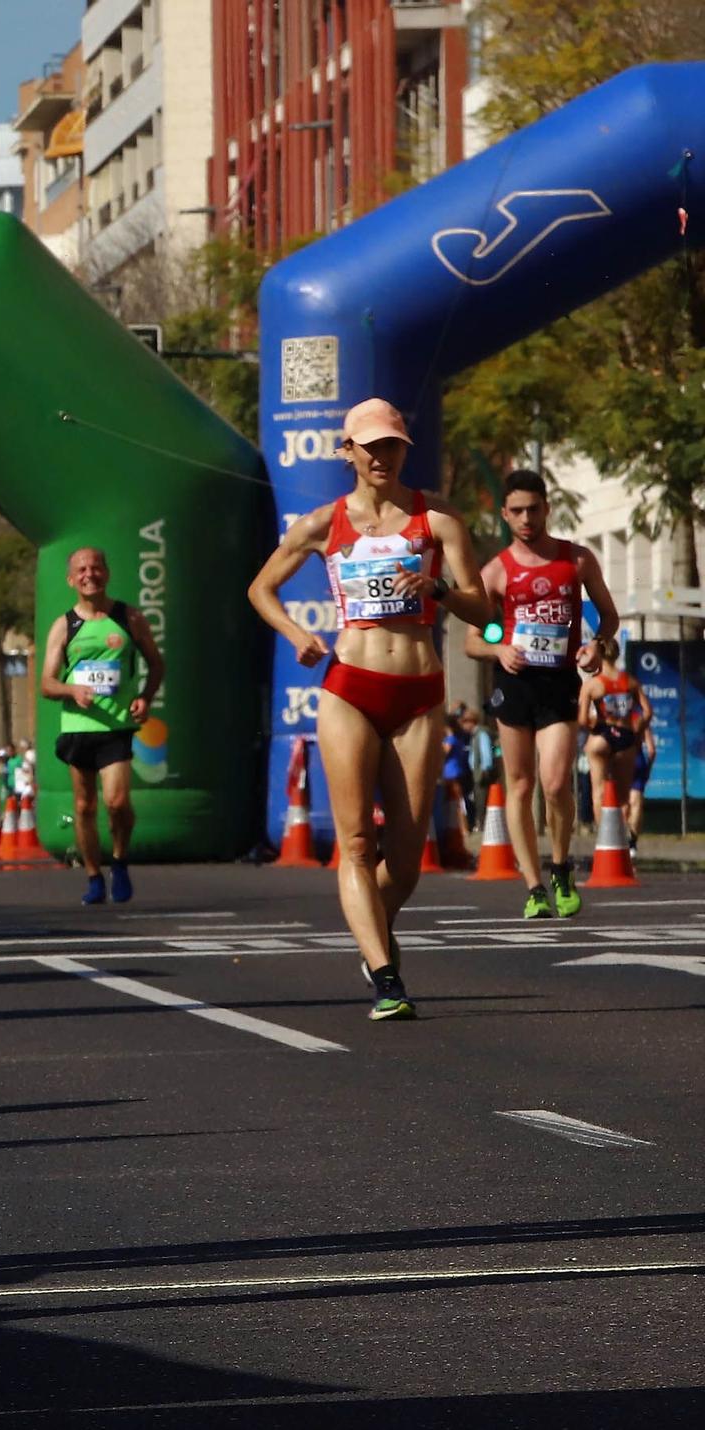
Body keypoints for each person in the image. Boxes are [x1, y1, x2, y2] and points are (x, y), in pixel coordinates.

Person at [248, 398, 490, 1020]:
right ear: (347, 453)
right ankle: (385, 974)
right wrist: (296, 635)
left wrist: (438, 589)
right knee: (356, 843)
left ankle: (371, 931)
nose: (383, 456)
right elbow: (261, 588)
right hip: (350, 687)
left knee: (406, 861)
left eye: (393, 446)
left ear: (405, 450)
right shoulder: (324, 523)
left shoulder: (437, 520)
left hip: (418, 694)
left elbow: (484, 610)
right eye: (371, 446)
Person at [465, 471, 618, 919]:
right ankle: (533, 886)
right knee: (520, 784)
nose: (526, 518)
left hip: (558, 683)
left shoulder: (578, 560)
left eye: (534, 509)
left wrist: (598, 645)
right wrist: (497, 647)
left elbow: (609, 617)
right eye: (517, 511)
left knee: (554, 783)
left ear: (547, 508)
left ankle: (561, 866)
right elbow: (471, 640)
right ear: (505, 514)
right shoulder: (495, 570)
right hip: (514, 685)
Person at [40, 546, 165, 905]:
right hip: (79, 726)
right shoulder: (65, 626)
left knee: (117, 800)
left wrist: (146, 696)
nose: (89, 574)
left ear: (107, 574)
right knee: (84, 807)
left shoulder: (129, 617)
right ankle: (94, 876)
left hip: (117, 726)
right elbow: (47, 684)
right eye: (81, 570)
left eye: (95, 568)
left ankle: (120, 861)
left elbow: (156, 664)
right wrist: (71, 689)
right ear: (70, 579)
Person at [581, 638, 650, 815]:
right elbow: (647, 712)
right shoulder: (631, 682)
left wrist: (594, 725)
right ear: (618, 654)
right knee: (623, 798)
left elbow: (582, 720)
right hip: (625, 735)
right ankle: (622, 840)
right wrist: (638, 731)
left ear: (599, 655)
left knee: (599, 793)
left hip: (601, 735)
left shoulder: (592, 685)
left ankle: (602, 840)